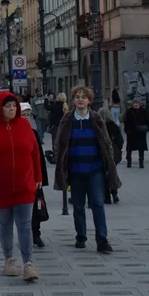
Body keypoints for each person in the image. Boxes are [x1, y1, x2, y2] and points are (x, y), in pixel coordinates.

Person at [0, 91, 42, 282]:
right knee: (5, 225)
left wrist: (38, 176)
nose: (12, 109)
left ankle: (28, 264)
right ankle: (9, 260)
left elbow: (35, 153)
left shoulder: (24, 125)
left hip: (25, 185)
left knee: (24, 225)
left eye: (14, 106)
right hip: (0, 188)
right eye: (8, 106)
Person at [53, 86, 120, 254]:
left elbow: (106, 143)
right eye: (77, 97)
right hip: (75, 170)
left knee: (97, 203)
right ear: (73, 100)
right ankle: (81, 236)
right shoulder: (67, 120)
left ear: (89, 100)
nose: (81, 99)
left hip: (94, 169)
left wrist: (109, 162)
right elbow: (59, 144)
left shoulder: (96, 119)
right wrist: (60, 162)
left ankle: (102, 239)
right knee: (78, 205)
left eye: (84, 97)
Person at [21, 102, 51, 248]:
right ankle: (24, 234)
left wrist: (41, 179)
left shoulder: (33, 133)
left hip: (33, 177)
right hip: (19, 177)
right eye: (23, 115)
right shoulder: (11, 132)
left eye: (28, 115)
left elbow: (39, 158)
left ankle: (36, 234)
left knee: (36, 207)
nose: (26, 117)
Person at [124, 100, 149, 168]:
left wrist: (146, 129)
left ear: (139, 104)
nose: (135, 105)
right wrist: (127, 131)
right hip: (131, 133)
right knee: (129, 148)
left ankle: (141, 162)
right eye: (134, 103)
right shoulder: (129, 111)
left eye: (137, 103)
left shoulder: (143, 111)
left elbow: (147, 121)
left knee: (141, 148)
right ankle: (129, 161)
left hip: (141, 133)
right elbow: (126, 121)